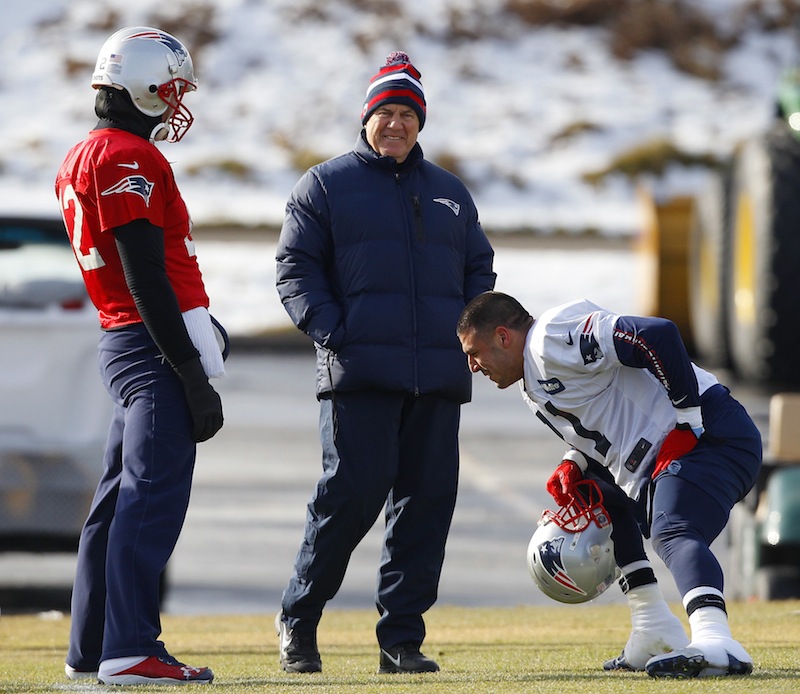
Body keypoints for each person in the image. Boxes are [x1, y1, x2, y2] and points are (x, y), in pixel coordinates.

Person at [274, 51, 496, 674]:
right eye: (385, 112)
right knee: (351, 498)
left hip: (438, 380)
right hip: (359, 374)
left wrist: (473, 334)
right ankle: (299, 620)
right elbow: (294, 270)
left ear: (420, 123)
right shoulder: (324, 185)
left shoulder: (451, 194)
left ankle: (401, 640)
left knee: (426, 507)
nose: (395, 124)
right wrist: (334, 331)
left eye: (407, 113)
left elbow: (480, 269)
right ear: (366, 117)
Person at [456, 291, 761, 679]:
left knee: (673, 530)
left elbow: (656, 335)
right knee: (595, 494)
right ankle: (652, 624)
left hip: (709, 432)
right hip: (658, 451)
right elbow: (604, 422)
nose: (472, 366)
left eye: (474, 352)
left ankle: (716, 640)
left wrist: (687, 417)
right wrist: (575, 463)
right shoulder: (531, 382)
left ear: (503, 336)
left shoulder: (550, 338)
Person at [55, 26, 224, 685]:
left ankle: (91, 646)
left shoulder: (85, 153)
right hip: (149, 343)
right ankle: (128, 647)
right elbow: (145, 275)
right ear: (145, 87)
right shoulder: (125, 156)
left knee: (115, 499)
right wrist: (189, 371)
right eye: (173, 88)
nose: (178, 102)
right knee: (148, 500)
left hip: (123, 338)